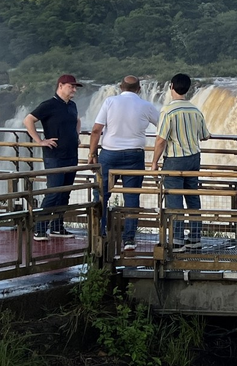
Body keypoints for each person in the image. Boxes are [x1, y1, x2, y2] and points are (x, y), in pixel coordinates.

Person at [88, 75, 159, 251]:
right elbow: (163, 126)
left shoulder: (110, 102)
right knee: (132, 197)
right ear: (139, 89)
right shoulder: (146, 106)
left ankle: (100, 233)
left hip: (109, 154)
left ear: (121, 87)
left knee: (102, 194)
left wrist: (92, 152)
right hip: (134, 156)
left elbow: (97, 130)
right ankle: (129, 240)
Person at [152, 73, 210, 252]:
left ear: (171, 87)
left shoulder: (167, 111)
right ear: (188, 89)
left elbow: (161, 140)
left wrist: (154, 162)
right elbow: (205, 135)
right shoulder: (195, 110)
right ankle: (195, 237)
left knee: (174, 198)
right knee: (192, 197)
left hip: (175, 160)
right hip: (194, 158)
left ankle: (177, 239)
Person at [24, 74, 82, 241]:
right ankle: (39, 228)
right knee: (53, 193)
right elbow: (28, 120)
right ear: (61, 86)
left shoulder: (72, 105)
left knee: (65, 193)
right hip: (55, 156)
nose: (74, 90)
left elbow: (77, 121)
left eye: (75, 87)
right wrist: (40, 141)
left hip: (71, 155)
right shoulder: (49, 104)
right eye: (71, 86)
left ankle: (57, 227)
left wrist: (76, 135)